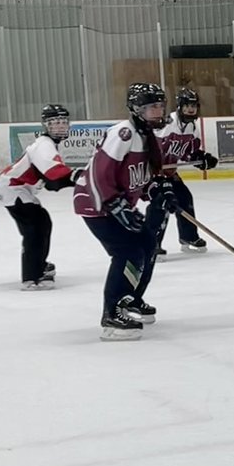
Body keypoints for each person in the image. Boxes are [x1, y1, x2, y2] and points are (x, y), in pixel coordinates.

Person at [73, 82, 172, 341]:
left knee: (148, 245)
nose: (158, 112)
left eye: (160, 106)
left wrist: (159, 191)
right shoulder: (124, 133)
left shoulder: (147, 138)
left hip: (117, 205)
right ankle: (112, 314)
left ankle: (130, 299)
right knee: (126, 252)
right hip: (96, 204)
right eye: (152, 107)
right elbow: (98, 173)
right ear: (136, 109)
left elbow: (141, 178)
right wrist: (114, 205)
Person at [0, 104, 77, 290]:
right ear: (46, 125)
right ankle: (31, 276)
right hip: (13, 189)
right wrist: (78, 176)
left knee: (41, 224)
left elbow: (52, 182)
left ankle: (38, 265)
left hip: (18, 189)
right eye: (55, 123)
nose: (60, 126)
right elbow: (55, 173)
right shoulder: (44, 145)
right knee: (35, 229)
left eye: (63, 122)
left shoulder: (48, 144)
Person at [148, 87, 218, 257]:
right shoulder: (167, 123)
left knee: (184, 198)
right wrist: (152, 169)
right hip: (151, 172)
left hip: (169, 172)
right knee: (162, 202)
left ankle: (188, 237)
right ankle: (150, 243)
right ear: (180, 106)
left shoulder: (191, 126)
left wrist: (201, 158)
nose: (191, 109)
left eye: (193, 105)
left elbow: (188, 152)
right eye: (187, 105)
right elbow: (149, 145)